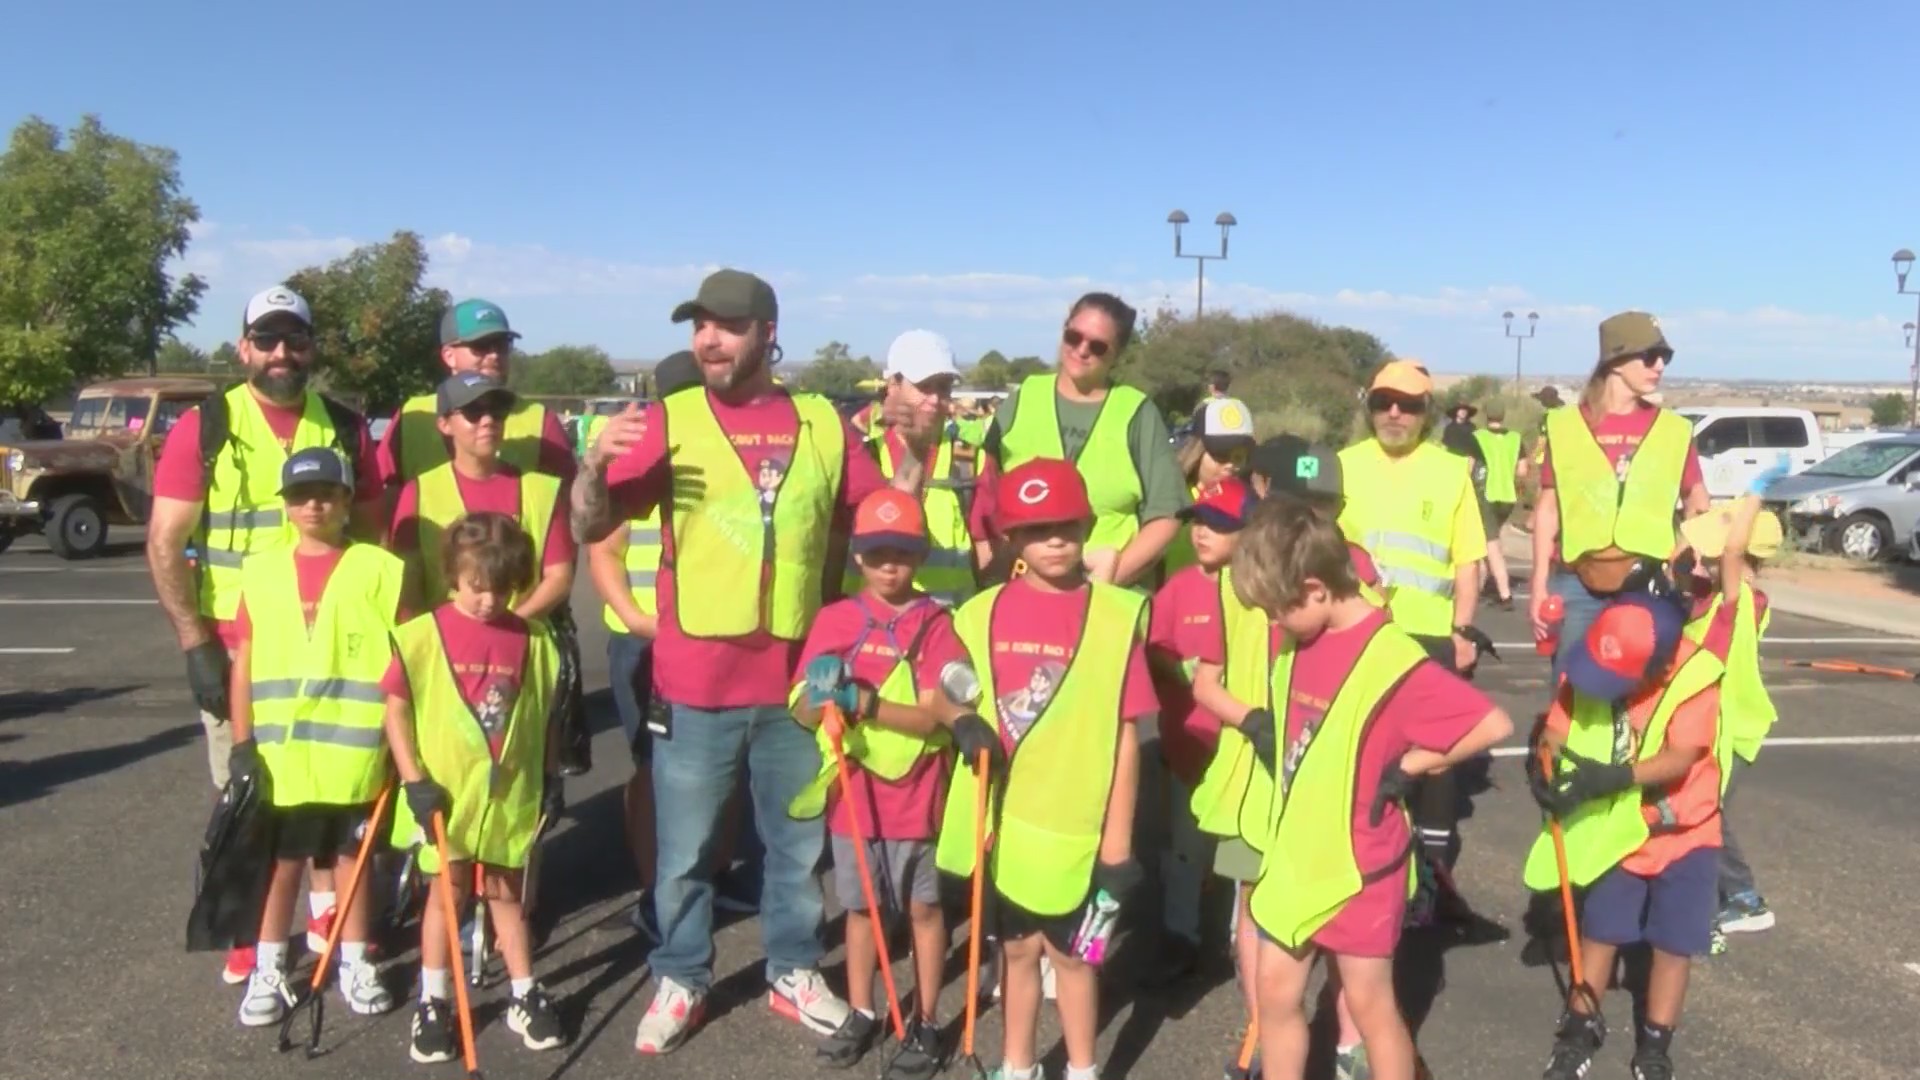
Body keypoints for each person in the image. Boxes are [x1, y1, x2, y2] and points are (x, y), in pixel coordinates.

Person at [570, 268, 918, 1054]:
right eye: (699, 325)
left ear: (767, 333)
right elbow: (591, 525)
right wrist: (591, 468)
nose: (708, 339)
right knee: (686, 852)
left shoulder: (822, 423)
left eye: (727, 325)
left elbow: (882, 516)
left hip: (797, 683)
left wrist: (916, 455)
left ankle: (793, 970)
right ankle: (681, 975)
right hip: (694, 684)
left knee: (794, 850)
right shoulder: (670, 419)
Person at [146, 285, 382, 986]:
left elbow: (371, 538)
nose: (283, 353)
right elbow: (165, 542)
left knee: (330, 790)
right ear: (244, 347)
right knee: (247, 793)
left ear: (312, 349)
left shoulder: (344, 427)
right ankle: (248, 930)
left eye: (296, 340)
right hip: (239, 647)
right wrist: (195, 644)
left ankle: (325, 915)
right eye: (268, 340)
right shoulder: (207, 427)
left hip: (333, 644)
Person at [1229, 499, 1511, 1080]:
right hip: (1296, 859)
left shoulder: (1393, 658)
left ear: (1315, 590)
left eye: (1278, 609)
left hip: (1360, 869)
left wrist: (1412, 765)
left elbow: (1491, 724)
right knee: (1275, 994)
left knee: (1370, 1005)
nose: (1273, 623)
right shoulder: (1299, 639)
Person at [933, 458, 1155, 1080]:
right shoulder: (978, 613)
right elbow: (942, 692)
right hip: (1005, 830)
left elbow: (1127, 736)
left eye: (1066, 525)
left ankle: (1082, 1069)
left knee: (1077, 960)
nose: (1054, 540)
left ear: (1086, 526)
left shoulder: (1117, 616)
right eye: (1035, 529)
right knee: (1015, 953)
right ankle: (1018, 1064)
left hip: (1079, 831)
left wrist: (1118, 846)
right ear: (1011, 538)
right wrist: (958, 719)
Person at [225, 447, 405, 1028]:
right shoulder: (261, 570)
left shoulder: (380, 569)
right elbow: (245, 659)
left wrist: (402, 744)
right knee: (282, 864)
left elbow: (404, 661)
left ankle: (355, 962)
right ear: (285, 505)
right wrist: (242, 741)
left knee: (352, 859)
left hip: (355, 754)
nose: (313, 506)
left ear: (347, 500)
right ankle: (269, 967)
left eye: (326, 494)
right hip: (282, 756)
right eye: (301, 496)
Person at [790, 488, 967, 1079]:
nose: (890, 565)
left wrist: (864, 702)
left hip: (915, 791)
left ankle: (926, 1018)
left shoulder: (936, 624)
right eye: (877, 553)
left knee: (923, 907)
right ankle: (863, 1009)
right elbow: (802, 710)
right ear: (858, 556)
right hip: (854, 792)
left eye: (903, 552)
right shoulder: (835, 619)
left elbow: (937, 717)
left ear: (920, 555)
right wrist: (819, 694)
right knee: (861, 907)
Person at [382, 512, 567, 1064]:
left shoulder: (535, 639)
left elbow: (544, 715)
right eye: (477, 586)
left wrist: (550, 777)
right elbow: (396, 713)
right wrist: (414, 781)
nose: (489, 600)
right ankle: (434, 999)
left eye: (502, 589)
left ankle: (523, 991)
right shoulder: (422, 635)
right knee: (447, 895)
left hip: (509, 794)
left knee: (507, 894)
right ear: (452, 577)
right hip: (444, 794)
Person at [1526, 592, 1725, 1080]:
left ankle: (1655, 1047)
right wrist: (1545, 768)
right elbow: (1557, 730)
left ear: (1660, 667)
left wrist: (1613, 778)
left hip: (1685, 834)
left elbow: (1681, 756)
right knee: (1601, 931)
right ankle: (1579, 1031)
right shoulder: (1592, 662)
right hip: (1620, 833)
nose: (1605, 688)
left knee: (1673, 945)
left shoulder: (1694, 679)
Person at [1336, 361, 1486, 879]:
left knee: (1436, 755)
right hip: (1358, 634)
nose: (1395, 413)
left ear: (1427, 412)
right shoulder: (1343, 466)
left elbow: (1468, 561)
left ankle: (1434, 872)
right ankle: (1362, 860)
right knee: (1361, 749)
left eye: (1409, 405)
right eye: (1384, 402)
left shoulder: (1451, 471)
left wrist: (1463, 631)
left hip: (1429, 634)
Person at [1529, 313, 1710, 682]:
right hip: (1577, 582)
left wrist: (1686, 553)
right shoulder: (1563, 426)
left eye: (1665, 357)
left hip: (1649, 585)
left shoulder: (1674, 430)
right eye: (1650, 356)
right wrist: (1538, 585)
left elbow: (1698, 500)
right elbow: (1548, 509)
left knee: (1641, 692)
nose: (1659, 366)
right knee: (1572, 688)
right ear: (1615, 360)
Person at [588, 349, 700, 941]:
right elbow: (604, 549)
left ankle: (700, 880)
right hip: (643, 642)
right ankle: (655, 889)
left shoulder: (720, 458)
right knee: (650, 766)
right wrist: (636, 619)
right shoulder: (638, 458)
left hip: (705, 642)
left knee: (709, 767)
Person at [981, 292, 1189, 588]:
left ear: (1117, 354)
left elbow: (1167, 515)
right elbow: (985, 489)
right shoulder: (1025, 396)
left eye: (1098, 346)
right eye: (1074, 337)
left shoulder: (1137, 412)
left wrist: (1102, 586)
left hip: (1110, 593)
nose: (1082, 350)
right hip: (1024, 590)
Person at [1143, 477, 1254, 991]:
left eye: (1218, 524)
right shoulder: (1180, 586)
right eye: (1199, 522)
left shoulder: (1258, 591)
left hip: (1243, 747)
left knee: (1241, 849)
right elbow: (1155, 649)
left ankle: (1240, 940)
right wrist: (1179, 669)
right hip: (1188, 742)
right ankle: (1180, 935)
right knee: (1185, 847)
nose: (1203, 533)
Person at [1676, 468, 1786, 953]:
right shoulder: (1711, 598)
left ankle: (1743, 899)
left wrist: (1754, 496)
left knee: (1704, 814)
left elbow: (1734, 552)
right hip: (1710, 724)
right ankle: (1729, 896)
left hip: (1732, 725)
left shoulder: (1739, 603)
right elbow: (1682, 558)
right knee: (1701, 810)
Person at [388, 374, 574, 619]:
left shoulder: (542, 491)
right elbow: (407, 584)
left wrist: (511, 627)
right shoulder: (419, 491)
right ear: (444, 424)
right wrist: (440, 633)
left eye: (497, 412)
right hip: (444, 638)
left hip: (524, 635)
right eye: (473, 412)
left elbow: (559, 576)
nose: (488, 421)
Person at [852, 330, 993, 604]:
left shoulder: (973, 462)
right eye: (924, 386)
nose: (935, 399)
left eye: (944, 387)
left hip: (947, 625)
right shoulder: (862, 458)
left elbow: (988, 554)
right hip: (871, 625)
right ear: (893, 385)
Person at [378, 298, 577, 489]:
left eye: (502, 345)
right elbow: (381, 497)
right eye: (480, 345)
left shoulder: (541, 421)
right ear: (449, 356)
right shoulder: (411, 417)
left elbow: (569, 500)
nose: (494, 355)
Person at [1162, 396, 1257, 575]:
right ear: (1197, 452)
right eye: (1221, 456)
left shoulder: (1252, 506)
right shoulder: (1170, 501)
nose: (1231, 465)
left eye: (1238, 456)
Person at [1441, 423, 1515, 610]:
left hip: (1482, 499)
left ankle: (1504, 594)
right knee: (1484, 547)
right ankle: (1482, 589)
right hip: (1498, 497)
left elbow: (1465, 475)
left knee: (1490, 546)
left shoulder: (1465, 458)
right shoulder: (1497, 443)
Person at [1474, 402, 1523, 544]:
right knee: (1491, 535)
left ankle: (1495, 557)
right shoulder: (1516, 438)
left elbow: (1469, 465)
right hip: (1508, 496)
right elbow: (1523, 471)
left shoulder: (1478, 436)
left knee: (1489, 539)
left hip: (1487, 493)